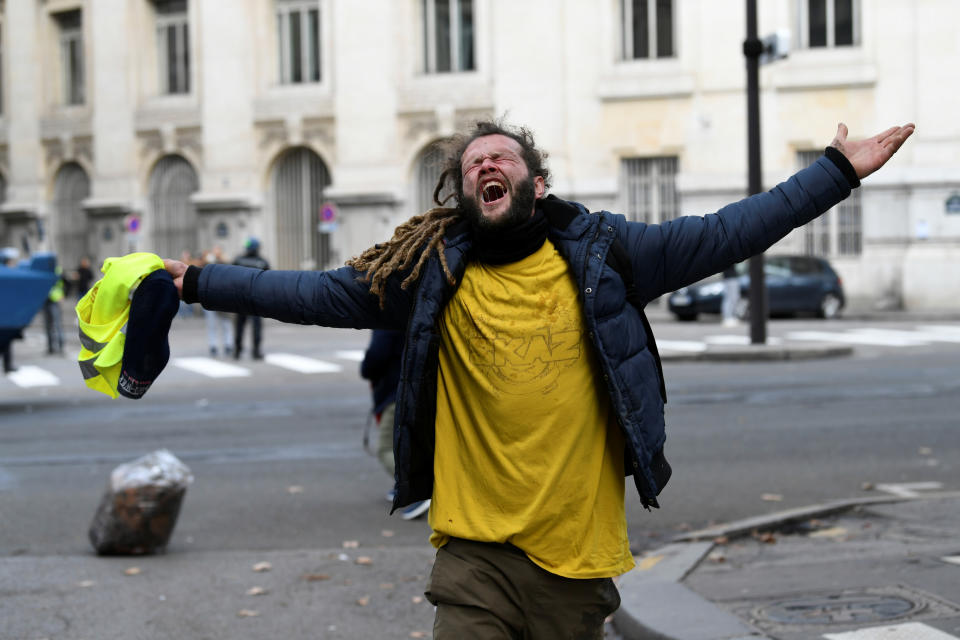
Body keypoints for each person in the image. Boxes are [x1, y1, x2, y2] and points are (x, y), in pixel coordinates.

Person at [163, 119, 914, 638]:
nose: (485, 165)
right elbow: (310, 293)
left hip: (575, 559)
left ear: (537, 182)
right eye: (471, 165)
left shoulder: (607, 255)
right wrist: (198, 282)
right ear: (460, 192)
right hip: (473, 553)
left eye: (501, 158)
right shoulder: (430, 272)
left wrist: (835, 173)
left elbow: (728, 232)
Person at [360, 329, 430, 520]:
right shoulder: (415, 308)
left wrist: (366, 368)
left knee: (385, 449)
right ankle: (406, 486)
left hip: (395, 392)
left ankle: (419, 489)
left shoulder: (387, 316)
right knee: (408, 444)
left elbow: (375, 357)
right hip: (417, 388)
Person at [232, 238, 269, 360]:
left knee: (239, 326)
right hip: (256, 300)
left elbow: (230, 277)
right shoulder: (262, 262)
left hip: (240, 298)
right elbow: (269, 280)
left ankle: (237, 351)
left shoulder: (238, 260)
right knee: (256, 327)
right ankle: (256, 351)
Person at [201, 246, 234, 357]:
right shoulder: (207, 264)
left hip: (223, 299)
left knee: (226, 323)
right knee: (212, 324)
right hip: (209, 298)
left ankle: (228, 344)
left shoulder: (225, 264)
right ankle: (213, 345)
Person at [44, 264, 66, 355]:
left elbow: (62, 284)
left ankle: (60, 346)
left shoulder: (57, 270)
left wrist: (62, 295)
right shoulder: (44, 270)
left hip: (55, 300)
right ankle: (50, 348)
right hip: (46, 300)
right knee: (48, 325)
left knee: (57, 324)